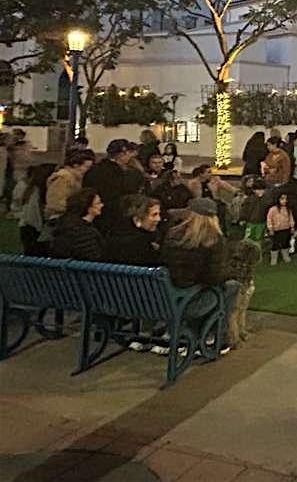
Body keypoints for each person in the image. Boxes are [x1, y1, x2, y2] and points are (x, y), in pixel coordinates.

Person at [158, 197, 239, 355]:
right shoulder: (214, 240)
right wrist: (230, 272)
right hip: (190, 302)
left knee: (213, 289)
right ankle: (215, 337)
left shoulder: (172, 235)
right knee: (231, 286)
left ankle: (193, 333)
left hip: (166, 299)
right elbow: (214, 278)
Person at [83, 139, 145, 233]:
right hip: (115, 217)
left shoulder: (94, 170)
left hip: (94, 213)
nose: (130, 157)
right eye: (128, 153)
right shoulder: (122, 174)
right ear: (122, 153)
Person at [104, 195, 162, 266]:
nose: (158, 219)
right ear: (138, 218)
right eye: (154, 215)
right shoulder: (138, 243)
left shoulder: (113, 235)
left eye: (159, 214)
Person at [51, 188, 105, 261]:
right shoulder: (85, 233)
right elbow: (92, 257)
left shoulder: (64, 226)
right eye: (98, 203)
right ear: (88, 207)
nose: (102, 205)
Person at [18, 164, 56, 256]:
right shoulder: (38, 193)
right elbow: (38, 216)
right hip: (34, 229)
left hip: (27, 227)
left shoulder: (31, 189)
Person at [44, 150, 95, 221]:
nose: (88, 170)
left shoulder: (74, 178)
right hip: (58, 218)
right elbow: (55, 203)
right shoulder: (64, 178)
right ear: (76, 165)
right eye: (86, 167)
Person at [266, 191, 295, 265]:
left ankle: (285, 256)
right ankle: (274, 259)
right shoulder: (273, 209)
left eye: (286, 199)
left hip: (286, 229)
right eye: (282, 199)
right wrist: (270, 228)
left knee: (285, 243)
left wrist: (292, 226)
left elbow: (290, 218)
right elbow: (269, 219)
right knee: (275, 244)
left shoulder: (288, 209)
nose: (284, 201)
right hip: (276, 230)